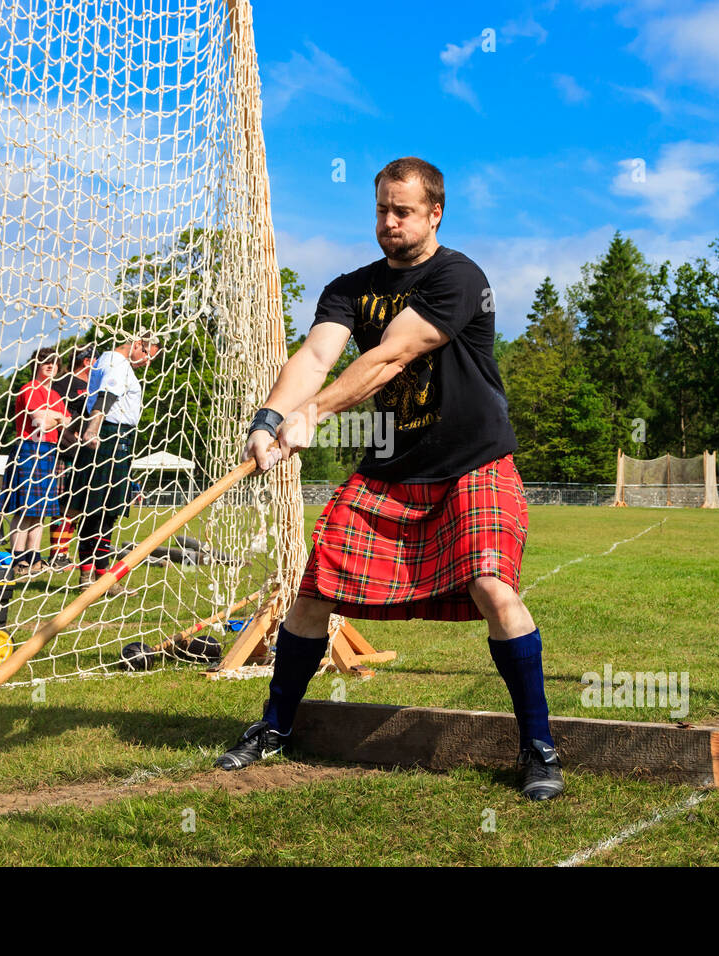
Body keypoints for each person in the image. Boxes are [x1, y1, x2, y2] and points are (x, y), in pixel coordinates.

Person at [213, 156, 563, 801]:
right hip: (390, 470)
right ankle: (275, 728)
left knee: (493, 586)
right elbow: (317, 353)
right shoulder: (350, 285)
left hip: (473, 463)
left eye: (403, 211)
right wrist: (270, 416)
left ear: (434, 213)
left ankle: (538, 748)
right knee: (315, 593)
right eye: (381, 209)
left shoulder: (460, 276)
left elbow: (392, 353)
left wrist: (313, 415)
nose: (390, 222)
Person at [76, 334, 160, 594]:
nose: (147, 362)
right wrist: (93, 429)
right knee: (103, 510)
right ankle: (98, 579)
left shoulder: (108, 360)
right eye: (147, 355)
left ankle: (92, 577)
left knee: (100, 511)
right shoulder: (117, 362)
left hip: (115, 438)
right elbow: (107, 395)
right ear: (137, 344)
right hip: (110, 437)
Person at [8, 348, 71, 574]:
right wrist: (57, 417)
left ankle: (34, 557)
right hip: (29, 448)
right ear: (36, 364)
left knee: (40, 511)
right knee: (24, 510)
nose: (50, 365)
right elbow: (39, 420)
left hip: (49, 450)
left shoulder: (55, 395)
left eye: (54, 362)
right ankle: (17, 559)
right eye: (45, 361)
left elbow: (67, 420)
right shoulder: (29, 388)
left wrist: (51, 416)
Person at [50, 350, 97, 567]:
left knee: (77, 504)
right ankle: (57, 554)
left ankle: (65, 552)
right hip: (65, 450)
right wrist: (69, 433)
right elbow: (55, 411)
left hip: (85, 451)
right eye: (96, 360)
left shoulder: (93, 385)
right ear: (87, 361)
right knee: (63, 503)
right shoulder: (63, 383)